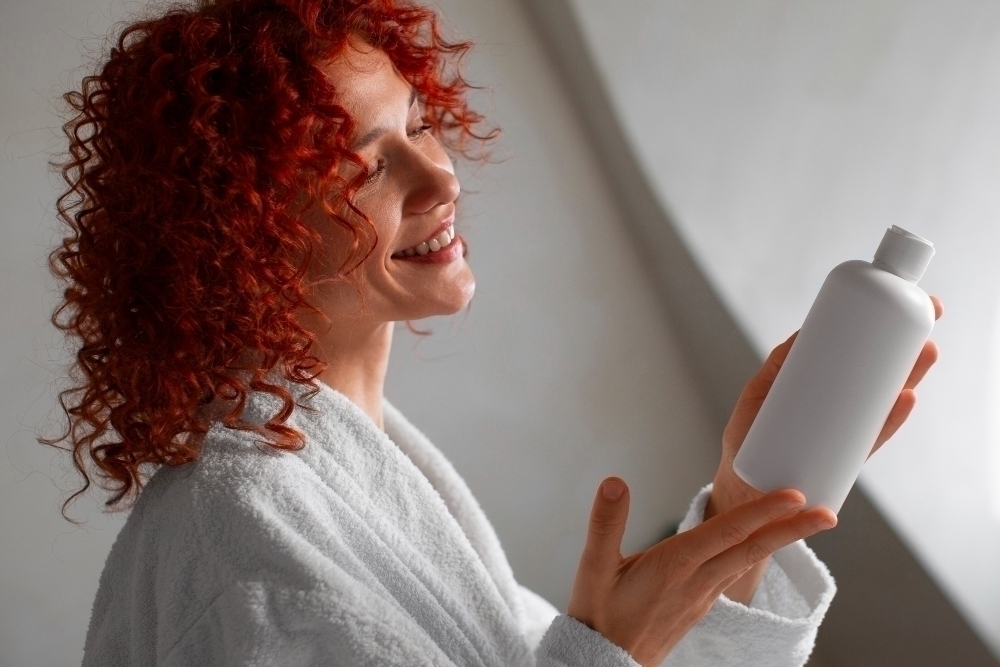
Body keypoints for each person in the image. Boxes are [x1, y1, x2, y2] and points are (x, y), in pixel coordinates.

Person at [44, 0, 941, 665]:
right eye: (367, 164)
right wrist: (605, 648)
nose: (439, 176)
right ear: (238, 234)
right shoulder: (237, 543)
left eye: (421, 125)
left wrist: (746, 517)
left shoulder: (352, 485)